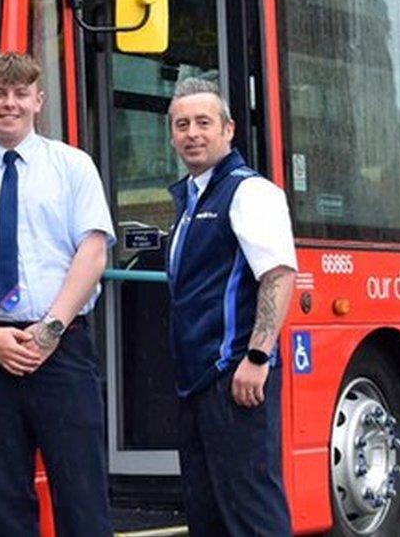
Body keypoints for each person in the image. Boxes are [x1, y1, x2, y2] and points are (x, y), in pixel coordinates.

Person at [0, 52, 115, 537]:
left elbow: (92, 253)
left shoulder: (73, 167)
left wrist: (50, 330)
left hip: (63, 349)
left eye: (19, 93)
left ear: (38, 99)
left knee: (82, 494)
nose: (9, 103)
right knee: (2, 498)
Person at [166, 77, 297, 536]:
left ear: (229, 129)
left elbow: (278, 276)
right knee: (210, 516)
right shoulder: (189, 198)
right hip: (197, 385)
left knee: (251, 513)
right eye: (182, 124)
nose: (192, 133)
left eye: (204, 122)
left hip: (237, 380)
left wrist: (257, 358)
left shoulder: (249, 192)